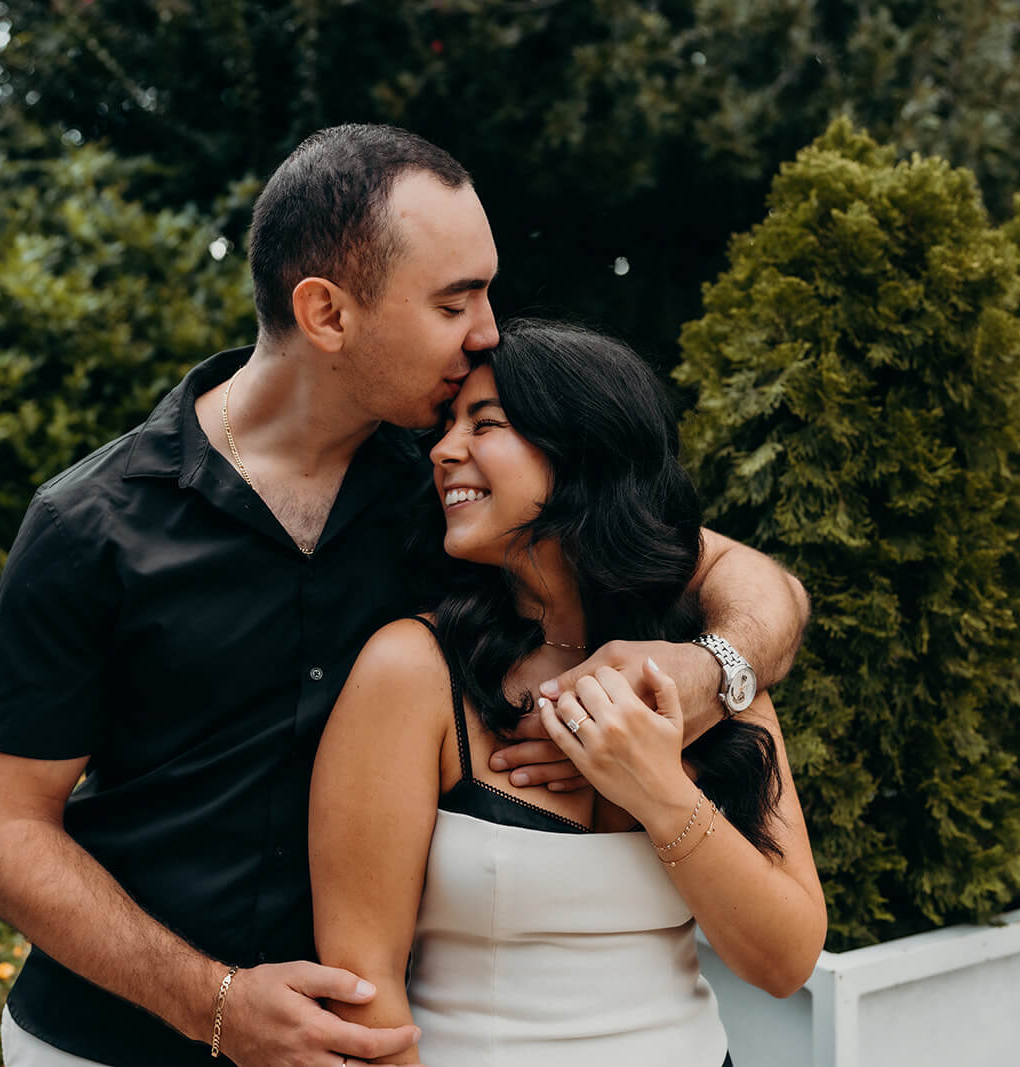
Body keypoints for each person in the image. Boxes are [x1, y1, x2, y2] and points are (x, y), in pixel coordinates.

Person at [0, 125, 811, 1067]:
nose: (488, 330)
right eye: (456, 301)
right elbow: (1, 834)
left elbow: (748, 579)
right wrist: (216, 1002)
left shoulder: (450, 491)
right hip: (120, 1040)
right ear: (326, 313)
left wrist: (707, 670)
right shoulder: (93, 524)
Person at [309, 319, 827, 1065]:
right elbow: (364, 990)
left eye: (485, 424)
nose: (444, 450)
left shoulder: (704, 674)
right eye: (449, 426)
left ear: (582, 453)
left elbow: (785, 962)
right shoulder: (413, 671)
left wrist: (655, 789)